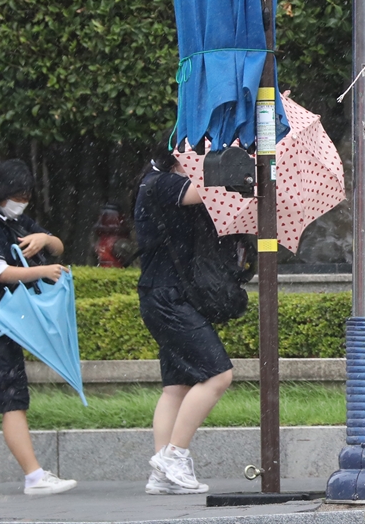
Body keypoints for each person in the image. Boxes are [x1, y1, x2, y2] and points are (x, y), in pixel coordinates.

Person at [0, 159, 77, 495]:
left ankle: (35, 476)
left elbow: (58, 246)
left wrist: (44, 239)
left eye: (27, 194)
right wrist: (42, 272)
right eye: (18, 193)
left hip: (1, 322)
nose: (23, 199)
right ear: (1, 192)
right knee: (8, 398)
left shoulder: (14, 221)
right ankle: (34, 477)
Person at [133, 143, 232, 495]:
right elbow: (201, 190)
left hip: (162, 294)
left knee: (176, 388)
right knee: (218, 375)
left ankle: (163, 473)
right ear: (178, 155)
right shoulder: (162, 183)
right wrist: (242, 156)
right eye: (198, 152)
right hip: (167, 298)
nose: (203, 160)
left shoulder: (155, 183)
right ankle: (174, 455)